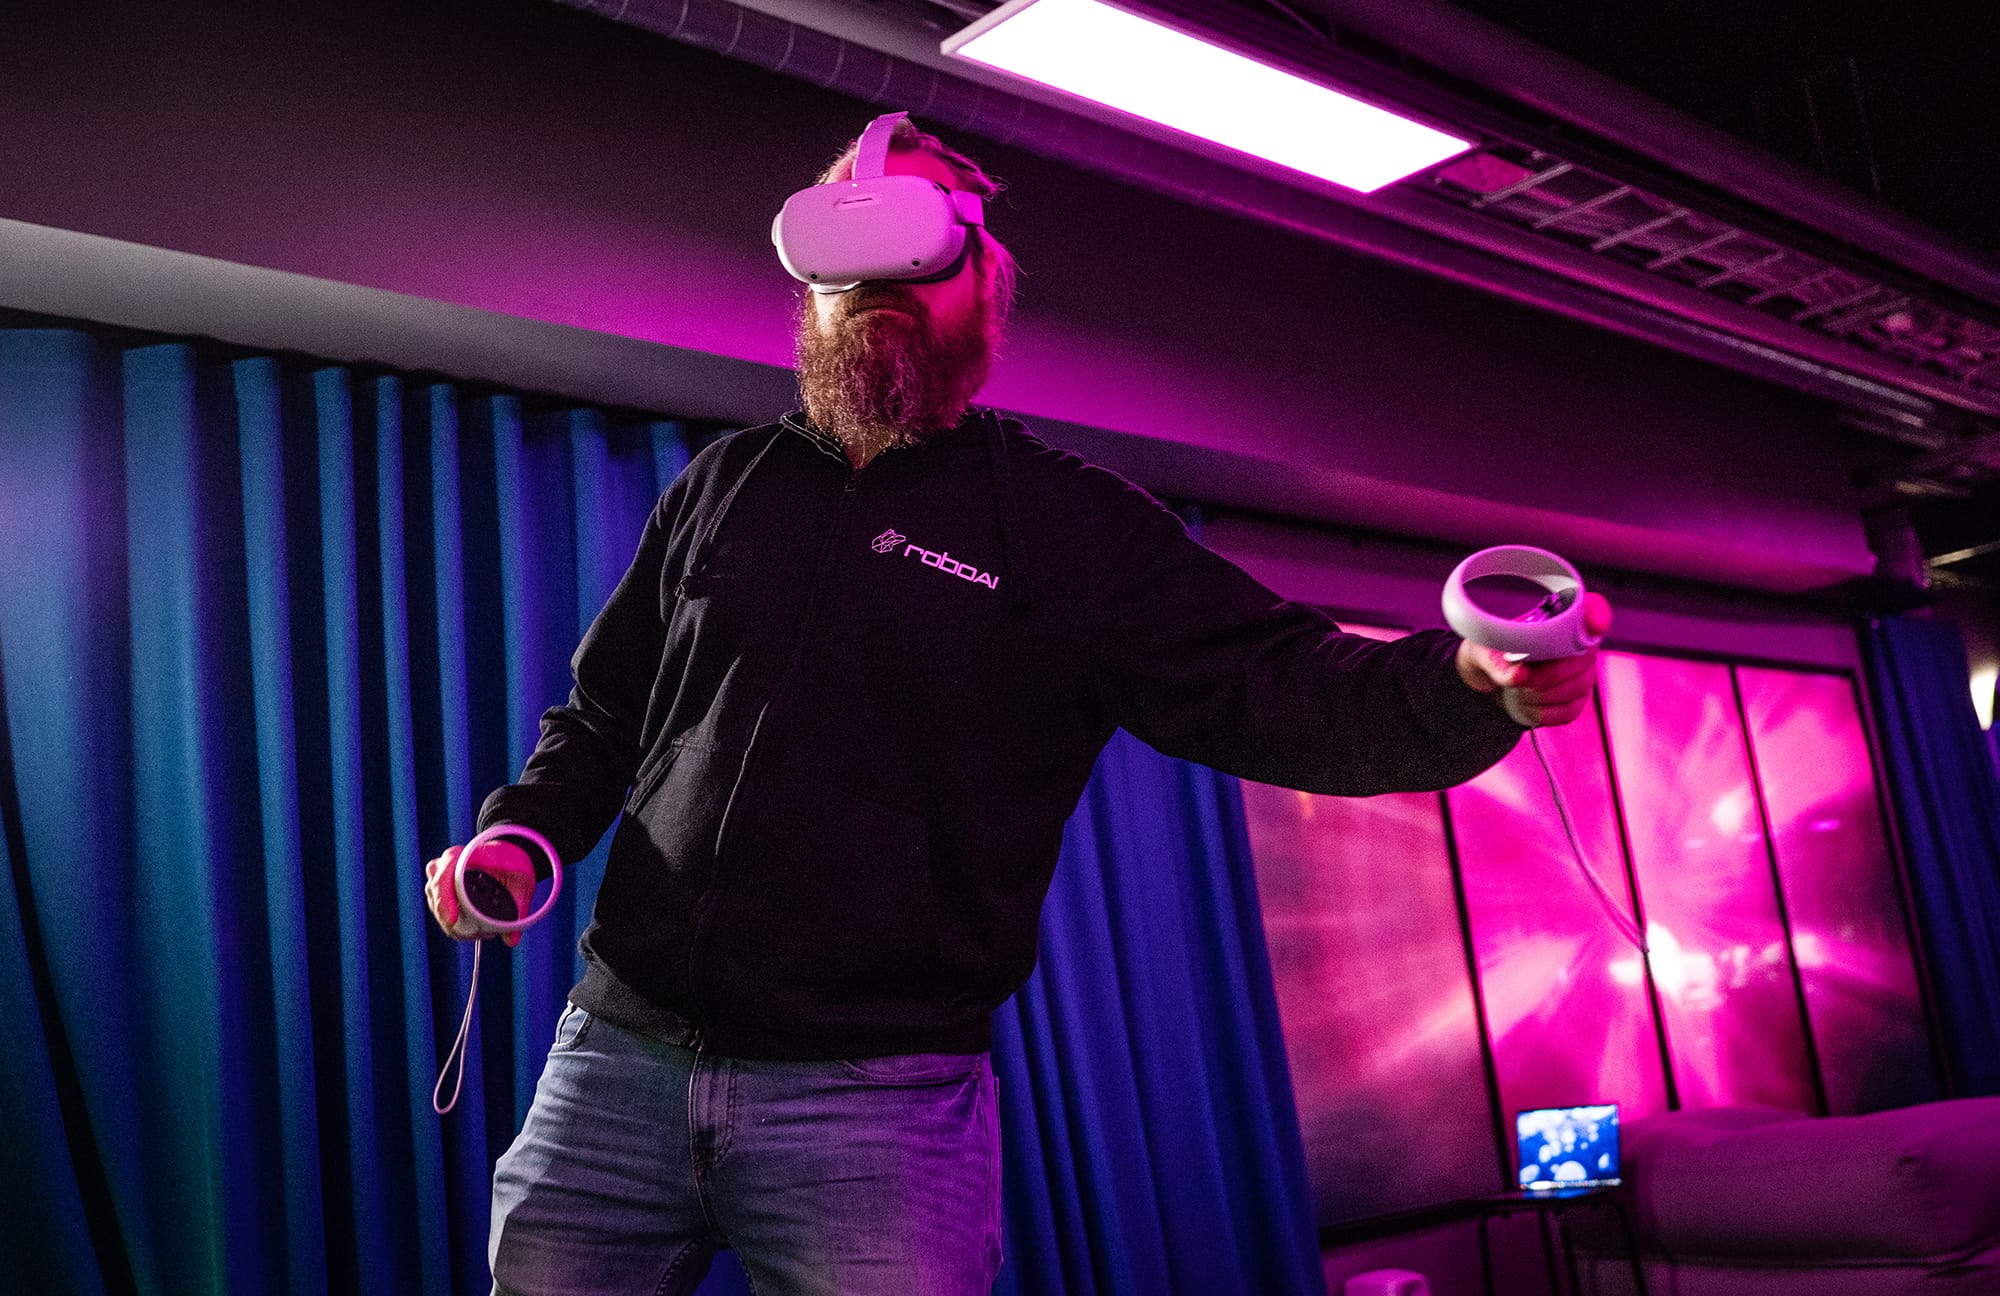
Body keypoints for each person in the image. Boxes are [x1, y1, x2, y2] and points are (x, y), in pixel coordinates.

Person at [424, 114, 1611, 1296]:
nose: (882, 279)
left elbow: (1277, 683)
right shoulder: (724, 487)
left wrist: (1468, 682)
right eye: (853, 236)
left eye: (920, 240)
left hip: (874, 1107)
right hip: (614, 1063)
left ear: (982, 279)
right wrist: (524, 836)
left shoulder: (1063, 524)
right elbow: (604, 712)